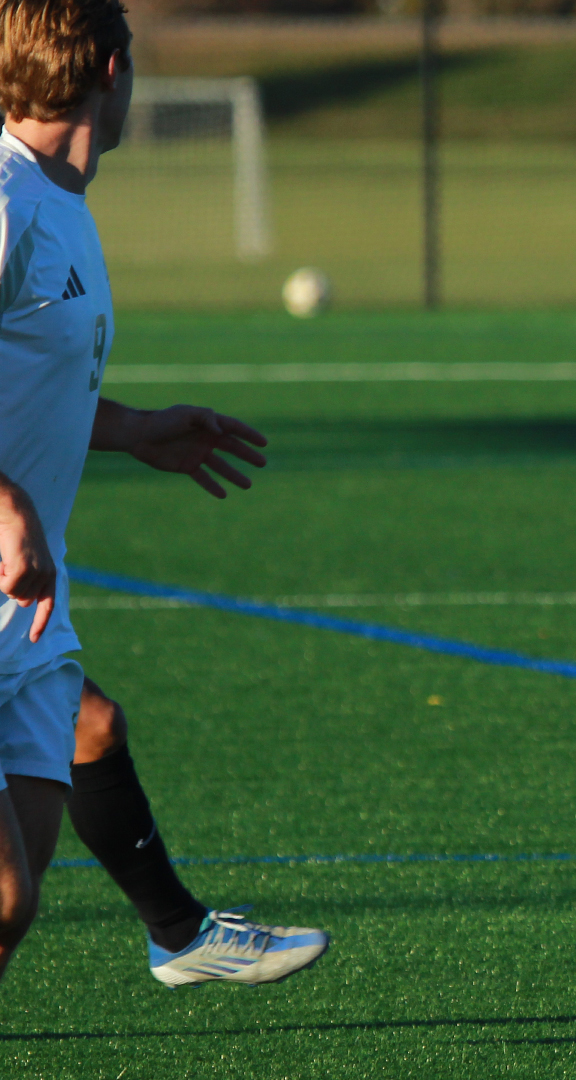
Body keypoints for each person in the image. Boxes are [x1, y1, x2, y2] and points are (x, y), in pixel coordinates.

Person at [0, 0, 327, 986]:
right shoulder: (5, 196)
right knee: (5, 895)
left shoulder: (61, 202)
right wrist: (8, 507)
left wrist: (133, 428)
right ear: (110, 66)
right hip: (9, 567)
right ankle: (182, 936)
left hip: (26, 614)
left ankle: (177, 935)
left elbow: (30, 392)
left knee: (13, 915)